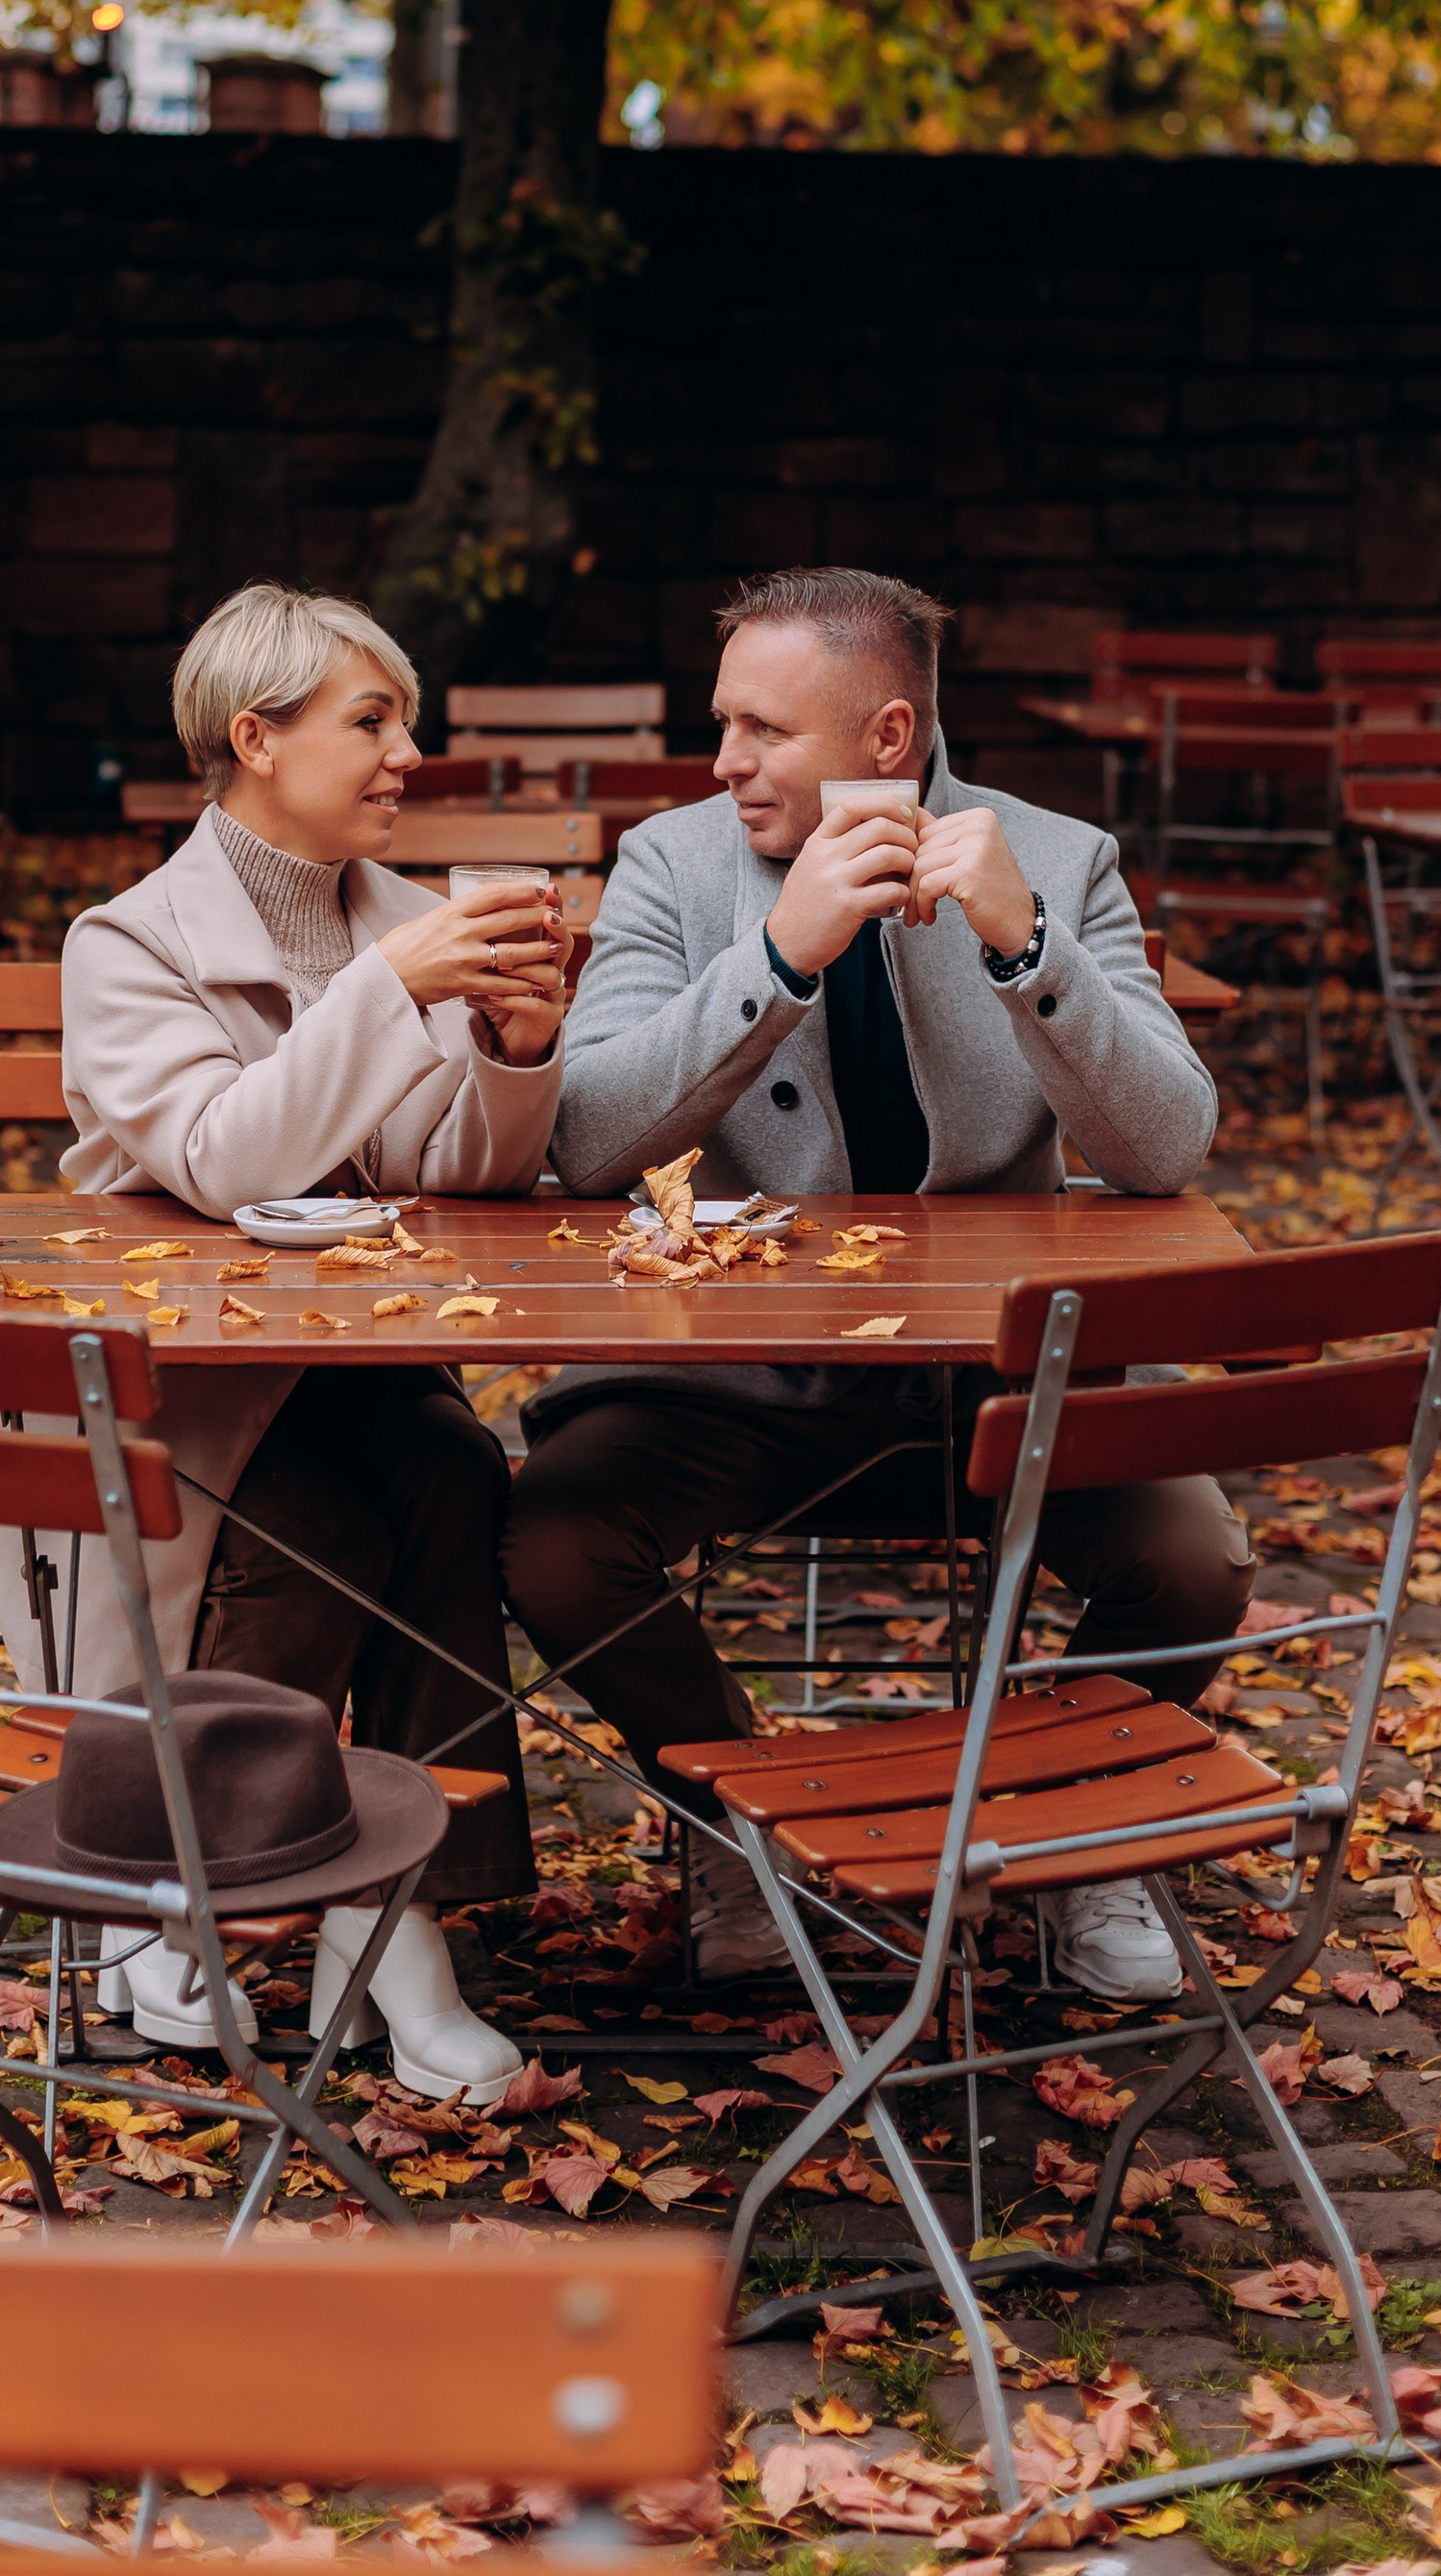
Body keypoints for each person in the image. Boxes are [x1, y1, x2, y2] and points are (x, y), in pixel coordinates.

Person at [502, 566, 1240, 2007]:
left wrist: (1028, 950)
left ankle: (1070, 1845)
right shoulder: (674, 862)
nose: (725, 763)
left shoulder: (1060, 855)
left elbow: (1167, 1148)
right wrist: (778, 957)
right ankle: (736, 1827)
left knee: (1195, 1560)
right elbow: (583, 1142)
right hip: (744, 1380)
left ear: (888, 739)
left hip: (1007, 1384)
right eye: (725, 724)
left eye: (763, 731)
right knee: (550, 1540)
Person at [0, 583, 569, 2106]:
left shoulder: (408, 919)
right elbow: (226, 1161)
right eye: (371, 722)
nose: (406, 755)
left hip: (368, 1369)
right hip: (186, 1398)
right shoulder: (126, 943)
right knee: (319, 1521)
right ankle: (185, 1869)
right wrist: (395, 992)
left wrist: (514, 1050)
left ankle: (396, 1921)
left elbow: (467, 1176)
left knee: (454, 1470)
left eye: (405, 721)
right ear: (254, 739)